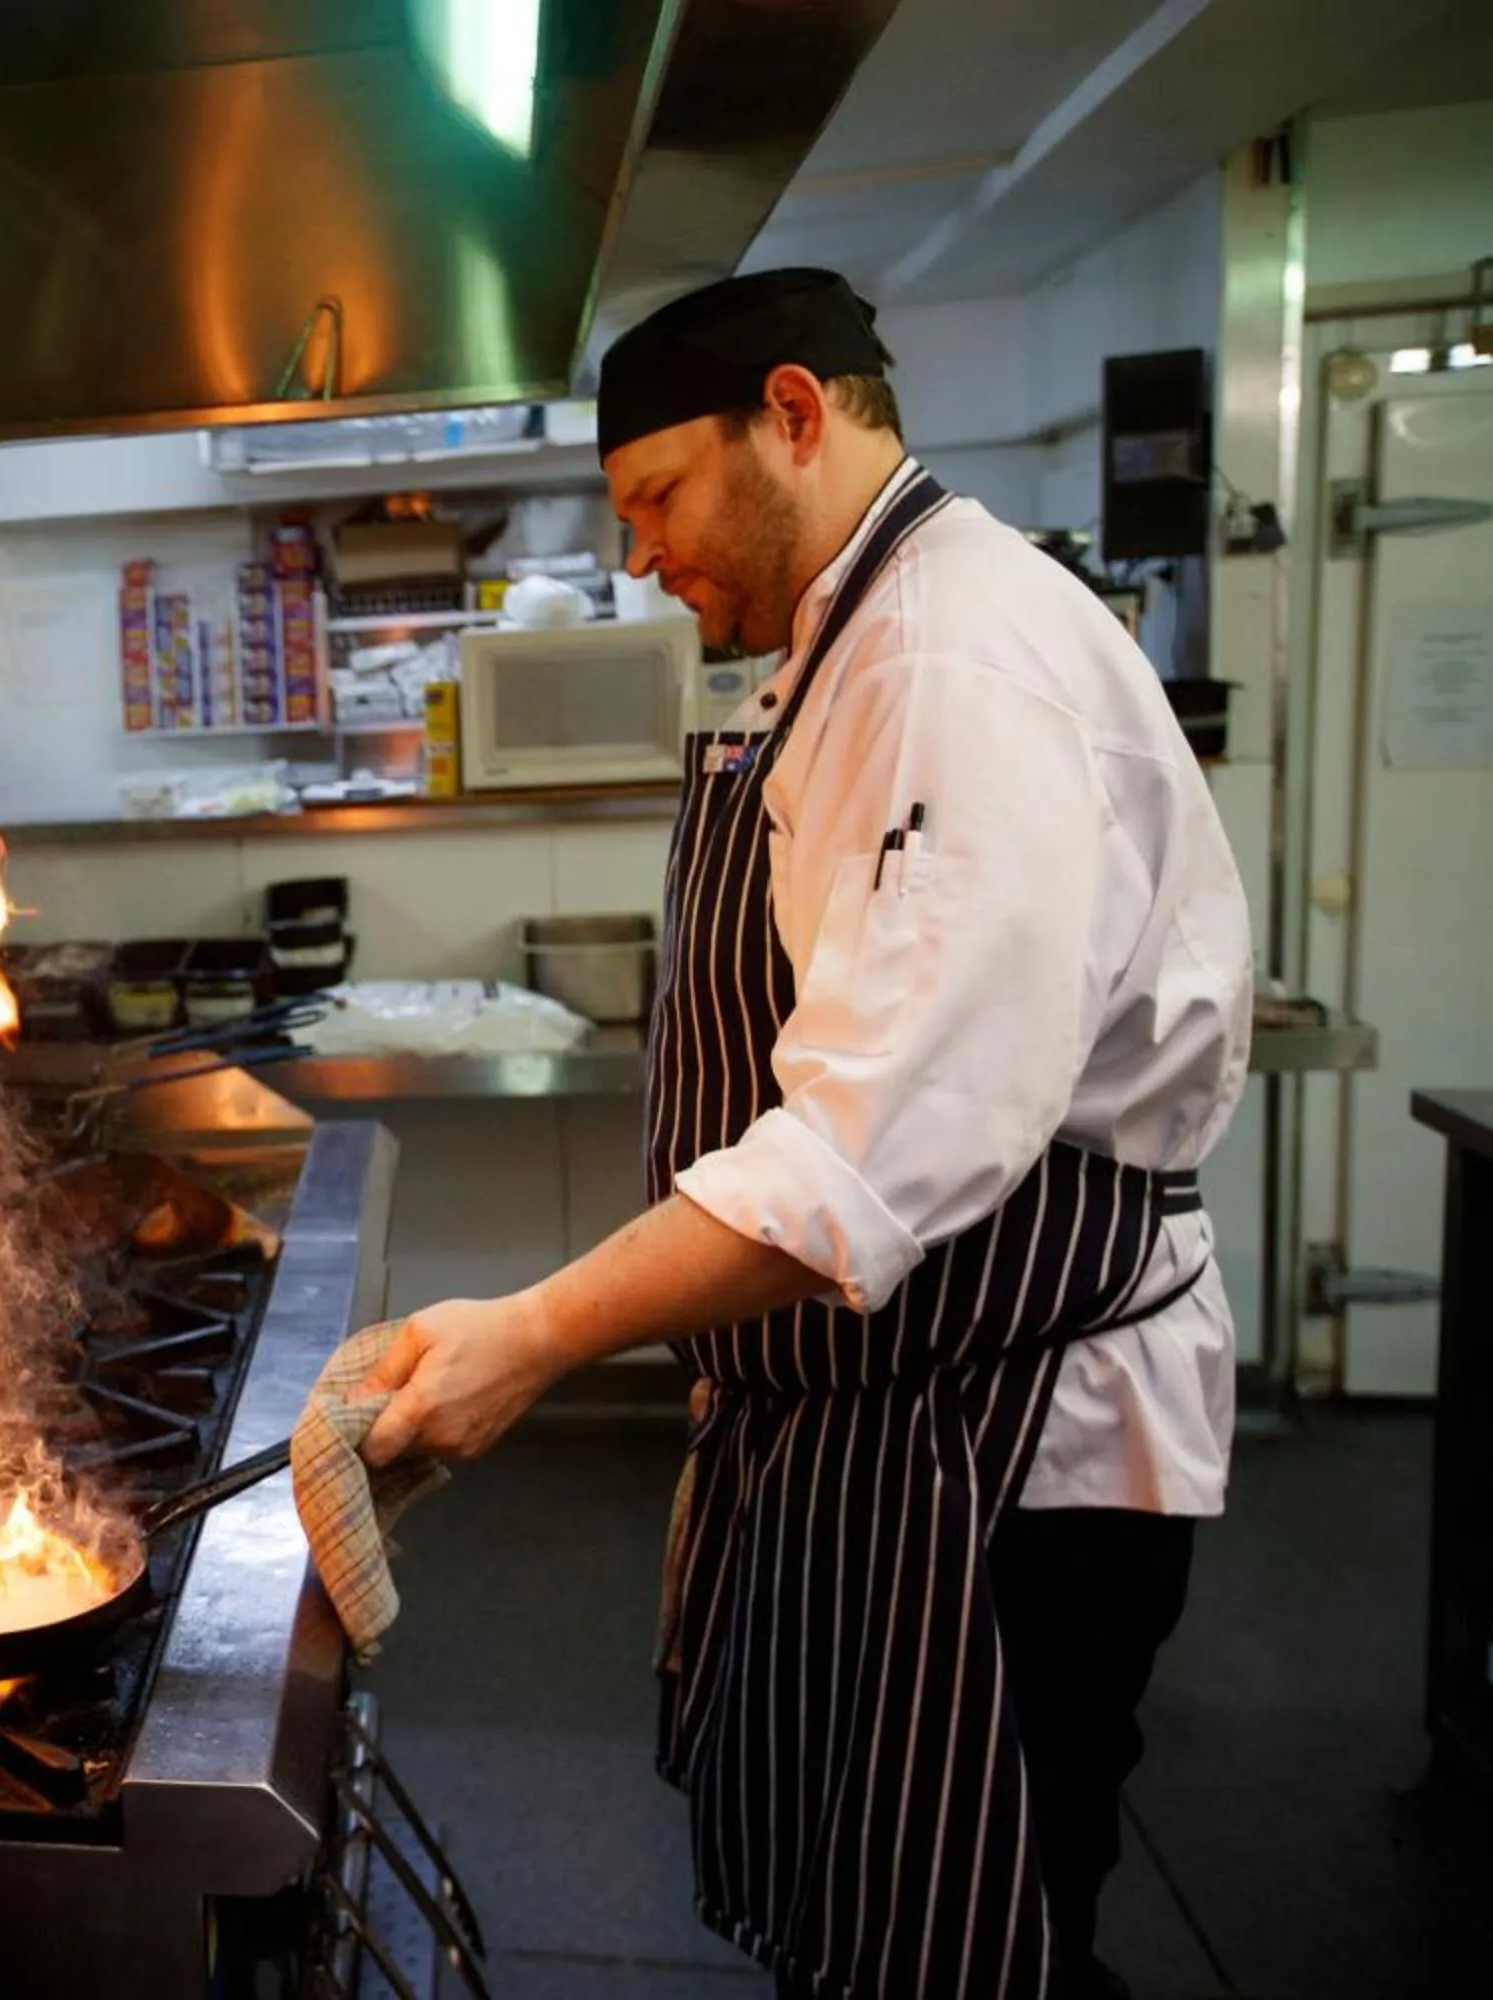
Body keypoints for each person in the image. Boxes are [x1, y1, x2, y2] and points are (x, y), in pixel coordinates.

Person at [349, 268, 1251, 1999]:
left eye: (657, 500)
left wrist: (530, 1337)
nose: (638, 560)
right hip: (906, 1405)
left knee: (991, 1932)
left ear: (794, 413)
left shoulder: (952, 655)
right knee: (891, 1915)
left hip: (1016, 1445)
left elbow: (863, 1154)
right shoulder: (855, 640)